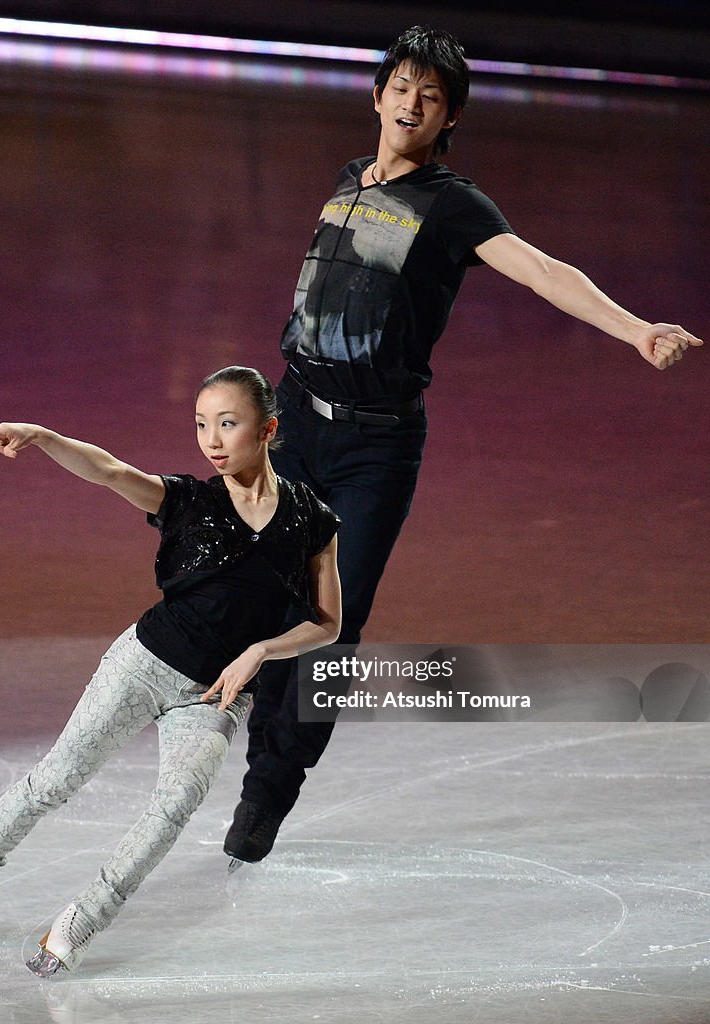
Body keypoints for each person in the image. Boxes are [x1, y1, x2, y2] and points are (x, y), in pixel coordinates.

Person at [222, 25, 704, 865]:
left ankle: (266, 792)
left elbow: (543, 270)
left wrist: (633, 331)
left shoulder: (452, 205)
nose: (412, 102)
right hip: (292, 426)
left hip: (374, 451)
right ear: (376, 95)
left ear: (448, 119)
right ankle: (218, 717)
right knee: (253, 590)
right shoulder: (346, 182)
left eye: (432, 95)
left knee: (331, 622)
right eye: (402, 85)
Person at [0, 365, 340, 976]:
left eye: (227, 424)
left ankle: (80, 921)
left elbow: (327, 623)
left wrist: (262, 651)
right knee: (56, 779)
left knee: (175, 807)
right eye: (200, 425)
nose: (211, 440)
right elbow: (111, 472)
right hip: (143, 664)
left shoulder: (310, 521)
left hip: (215, 697)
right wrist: (44, 437)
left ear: (267, 429)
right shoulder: (190, 501)